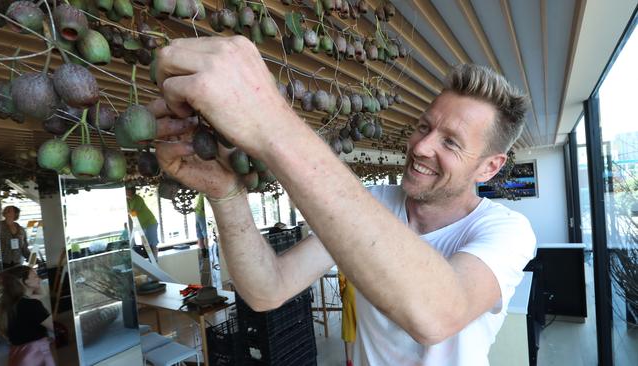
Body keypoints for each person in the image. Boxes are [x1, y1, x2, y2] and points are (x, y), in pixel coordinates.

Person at [150, 36, 536, 365]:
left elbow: (436, 314)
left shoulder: (505, 231)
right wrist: (226, 193)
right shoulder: (376, 204)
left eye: (450, 142)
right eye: (424, 126)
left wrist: (270, 121)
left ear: (489, 167)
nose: (421, 146)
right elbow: (267, 290)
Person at [0, 265, 55, 366]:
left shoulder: (11, 304)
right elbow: (53, 327)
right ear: (23, 281)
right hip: (35, 354)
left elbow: (42, 294)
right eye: (35, 276)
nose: (40, 279)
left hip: (18, 355)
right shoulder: (31, 305)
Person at [125, 187, 159, 259]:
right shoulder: (127, 200)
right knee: (145, 244)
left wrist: (130, 212)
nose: (125, 191)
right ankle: (150, 260)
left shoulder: (138, 199)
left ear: (131, 190)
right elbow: (129, 212)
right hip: (141, 225)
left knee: (152, 244)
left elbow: (134, 212)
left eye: (127, 190)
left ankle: (155, 260)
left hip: (150, 223)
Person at [194, 193, 211, 286]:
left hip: (197, 213)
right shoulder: (206, 190)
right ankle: (207, 253)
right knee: (206, 235)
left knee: (200, 236)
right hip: (203, 213)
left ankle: (203, 252)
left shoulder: (201, 190)